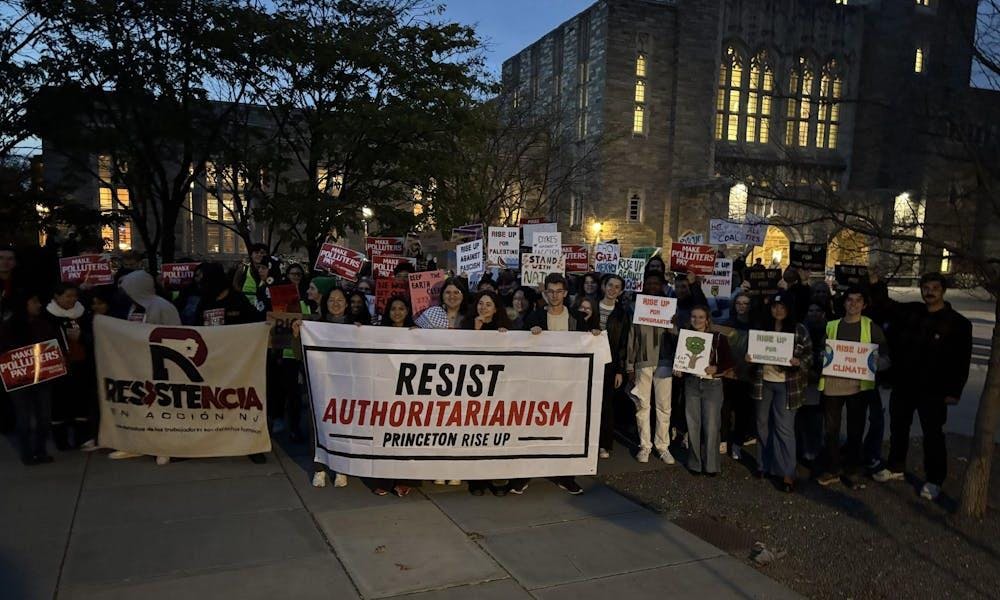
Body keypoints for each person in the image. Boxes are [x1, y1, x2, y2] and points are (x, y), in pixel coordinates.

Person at [873, 273, 972, 501]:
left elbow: (961, 362)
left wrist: (954, 391)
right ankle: (896, 466)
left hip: (934, 388)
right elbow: (885, 305)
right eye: (926, 287)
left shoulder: (958, 324)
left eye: (935, 288)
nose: (930, 292)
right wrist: (874, 283)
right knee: (899, 426)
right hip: (905, 383)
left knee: (933, 435)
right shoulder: (912, 312)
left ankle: (934, 479)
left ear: (943, 291)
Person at [510, 273, 591, 495]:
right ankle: (523, 475)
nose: (554, 295)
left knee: (565, 429)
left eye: (559, 291)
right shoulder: (533, 317)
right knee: (532, 428)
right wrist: (531, 334)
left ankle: (565, 476)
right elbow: (520, 345)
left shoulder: (577, 318)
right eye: (550, 291)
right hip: (539, 383)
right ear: (545, 292)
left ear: (565, 293)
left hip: (568, 384)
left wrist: (594, 337)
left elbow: (587, 344)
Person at [815, 288, 890, 486]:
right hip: (834, 383)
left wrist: (876, 364)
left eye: (858, 300)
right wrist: (822, 357)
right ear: (844, 303)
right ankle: (833, 469)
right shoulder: (831, 326)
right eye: (850, 300)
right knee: (831, 430)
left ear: (864, 305)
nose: (853, 304)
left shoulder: (871, 327)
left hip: (859, 386)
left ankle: (851, 470)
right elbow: (822, 350)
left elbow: (886, 357)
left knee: (855, 430)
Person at [108, 270, 182, 464]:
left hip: (160, 365)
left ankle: (164, 447)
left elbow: (177, 336)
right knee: (139, 407)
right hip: (137, 366)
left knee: (161, 409)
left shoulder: (163, 307)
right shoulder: (135, 307)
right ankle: (137, 445)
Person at [748, 292, 813, 492]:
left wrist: (799, 362)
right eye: (775, 306)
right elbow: (752, 351)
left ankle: (787, 472)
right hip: (763, 382)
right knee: (762, 425)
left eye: (782, 307)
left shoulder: (799, 329)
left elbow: (810, 357)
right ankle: (764, 465)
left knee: (784, 428)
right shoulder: (761, 328)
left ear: (789, 309)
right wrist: (750, 357)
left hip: (788, 385)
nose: (778, 310)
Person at [461, 290, 512, 497]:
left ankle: (494, 476)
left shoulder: (505, 328)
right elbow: (466, 352)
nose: (484, 308)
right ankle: (476, 479)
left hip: (498, 390)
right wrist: (476, 329)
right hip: (474, 389)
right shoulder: (468, 324)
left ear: (496, 308)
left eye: (488, 304)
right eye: (481, 304)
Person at [675, 305, 734, 476]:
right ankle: (694, 463)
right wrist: (678, 369)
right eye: (694, 316)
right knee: (693, 424)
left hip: (712, 386)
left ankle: (711, 465)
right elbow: (681, 360)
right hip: (692, 383)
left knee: (712, 425)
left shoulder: (718, 338)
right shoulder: (685, 337)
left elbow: (729, 362)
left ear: (707, 319)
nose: (697, 320)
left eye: (701, 317)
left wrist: (716, 368)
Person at [0, 293, 58, 465]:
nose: (39, 304)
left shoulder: (43, 325)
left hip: (42, 378)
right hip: (18, 381)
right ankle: (27, 454)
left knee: (44, 417)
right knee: (23, 418)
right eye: (34, 301)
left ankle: (40, 451)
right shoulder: (6, 328)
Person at [367, 295, 416, 497]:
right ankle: (384, 480)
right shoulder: (379, 333)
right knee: (385, 435)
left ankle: (404, 479)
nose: (397, 312)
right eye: (393, 308)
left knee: (407, 435)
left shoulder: (416, 333)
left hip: (409, 389)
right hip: (385, 389)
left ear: (408, 311)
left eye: (402, 308)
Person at [626, 272, 676, 465]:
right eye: (650, 283)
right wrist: (630, 365)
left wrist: (673, 326)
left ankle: (662, 446)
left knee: (664, 406)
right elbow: (632, 337)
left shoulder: (670, 307)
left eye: (656, 283)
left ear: (662, 286)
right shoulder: (638, 308)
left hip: (664, 361)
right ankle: (645, 446)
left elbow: (676, 335)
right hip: (642, 361)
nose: (653, 286)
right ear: (644, 285)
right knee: (642, 405)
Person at [46, 283, 99, 452]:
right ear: (57, 297)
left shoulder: (83, 314)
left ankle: (83, 438)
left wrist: (82, 337)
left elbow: (95, 336)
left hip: (81, 364)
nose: (72, 300)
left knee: (82, 403)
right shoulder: (48, 316)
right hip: (58, 368)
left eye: (74, 296)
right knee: (60, 405)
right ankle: (61, 441)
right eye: (68, 296)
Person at [597, 274, 631, 458]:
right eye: (610, 285)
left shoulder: (622, 314)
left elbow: (623, 344)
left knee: (606, 405)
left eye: (617, 287)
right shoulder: (591, 306)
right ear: (603, 286)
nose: (612, 289)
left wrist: (620, 370)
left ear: (621, 291)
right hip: (588, 361)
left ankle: (604, 444)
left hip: (609, 364)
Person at [720, 292, 754, 460]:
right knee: (725, 409)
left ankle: (737, 444)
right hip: (728, 373)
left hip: (747, 375)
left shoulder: (756, 326)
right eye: (739, 303)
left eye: (746, 303)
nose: (742, 306)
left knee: (743, 411)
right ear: (734, 305)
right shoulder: (727, 324)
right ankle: (723, 439)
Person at [233, 243, 271, 307]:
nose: (259, 255)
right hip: (245, 306)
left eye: (262, 253)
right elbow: (235, 285)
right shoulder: (243, 269)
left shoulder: (271, 270)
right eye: (256, 252)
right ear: (251, 255)